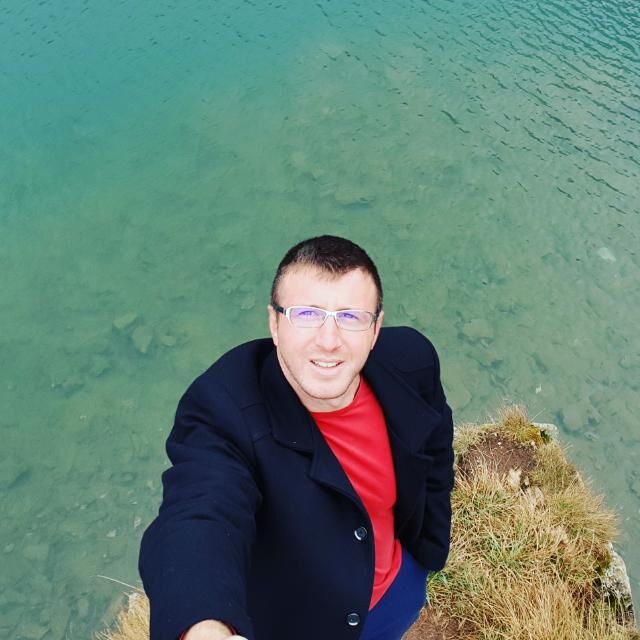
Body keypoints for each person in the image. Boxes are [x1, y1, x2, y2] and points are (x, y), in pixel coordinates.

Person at [139, 235, 455, 640]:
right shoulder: (222, 409)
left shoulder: (412, 360)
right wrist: (204, 628)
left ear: (376, 329)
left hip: (398, 590)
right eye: (307, 314)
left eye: (351, 316)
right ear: (274, 323)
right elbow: (199, 513)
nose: (329, 340)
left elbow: (435, 448)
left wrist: (429, 547)